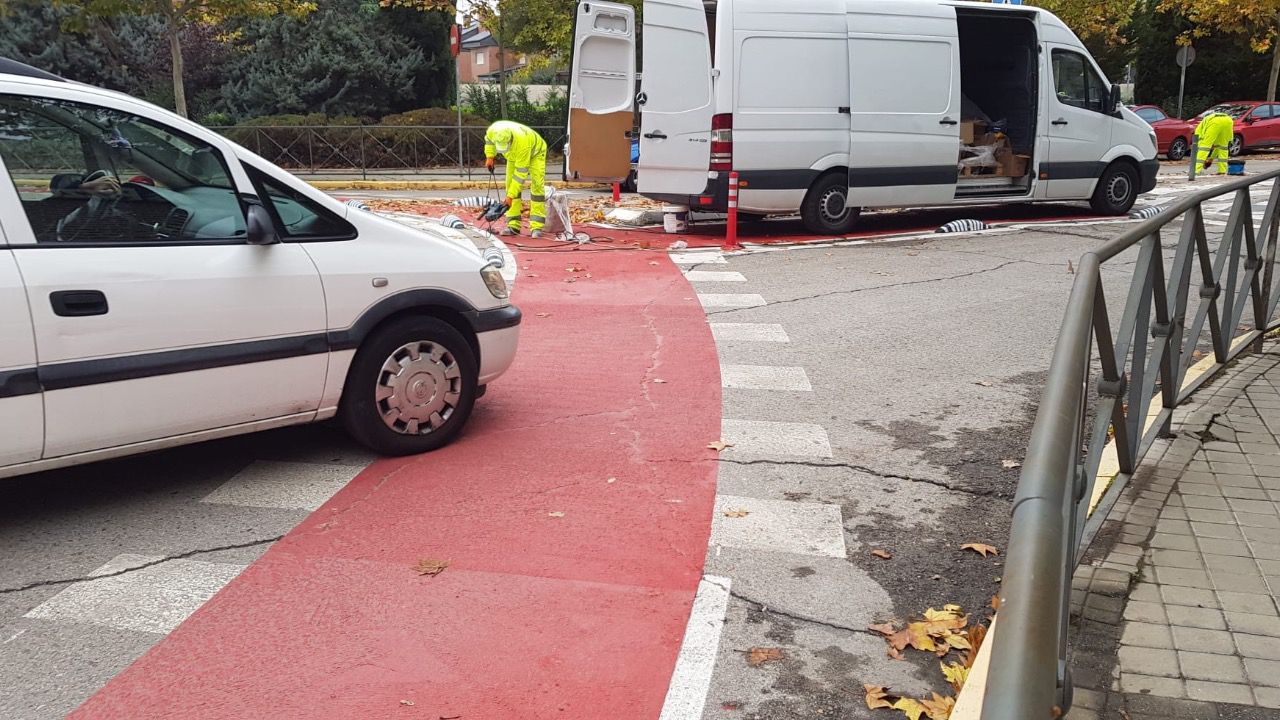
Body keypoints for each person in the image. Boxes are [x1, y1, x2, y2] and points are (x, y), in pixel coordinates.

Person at [483, 120, 547, 238]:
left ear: (510, 140)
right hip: (513, 155)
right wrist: (490, 156)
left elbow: (520, 175)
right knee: (509, 184)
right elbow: (489, 141)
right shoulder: (493, 131)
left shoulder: (523, 143)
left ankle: (536, 226)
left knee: (537, 185)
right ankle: (513, 225)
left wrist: (510, 197)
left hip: (535, 153)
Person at [1193, 112, 1234, 176]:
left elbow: (1202, 150)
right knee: (1223, 147)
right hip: (1228, 120)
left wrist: (1205, 160)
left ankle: (1195, 171)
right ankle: (1222, 171)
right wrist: (1211, 158)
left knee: (1204, 147)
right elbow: (1217, 149)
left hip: (1215, 122)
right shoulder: (1207, 126)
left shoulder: (1198, 132)